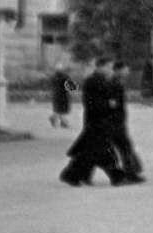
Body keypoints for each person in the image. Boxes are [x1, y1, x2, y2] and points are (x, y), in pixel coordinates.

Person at [59, 58, 131, 187]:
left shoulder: (101, 80)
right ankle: (116, 176)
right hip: (96, 122)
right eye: (108, 67)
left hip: (101, 122)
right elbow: (90, 102)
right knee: (100, 152)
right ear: (100, 67)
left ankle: (73, 175)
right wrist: (109, 104)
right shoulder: (92, 81)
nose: (110, 70)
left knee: (94, 152)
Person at [108, 60, 146, 182]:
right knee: (125, 148)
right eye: (126, 69)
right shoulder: (114, 83)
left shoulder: (116, 82)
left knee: (123, 148)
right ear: (118, 70)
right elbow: (112, 103)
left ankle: (130, 172)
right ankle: (130, 174)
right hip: (115, 122)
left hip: (116, 121)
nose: (128, 71)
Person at [49, 63, 76, 129]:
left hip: (55, 94)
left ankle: (62, 123)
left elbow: (51, 85)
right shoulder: (65, 76)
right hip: (63, 95)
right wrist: (73, 91)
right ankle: (58, 120)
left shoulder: (53, 76)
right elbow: (71, 86)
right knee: (62, 110)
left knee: (59, 109)